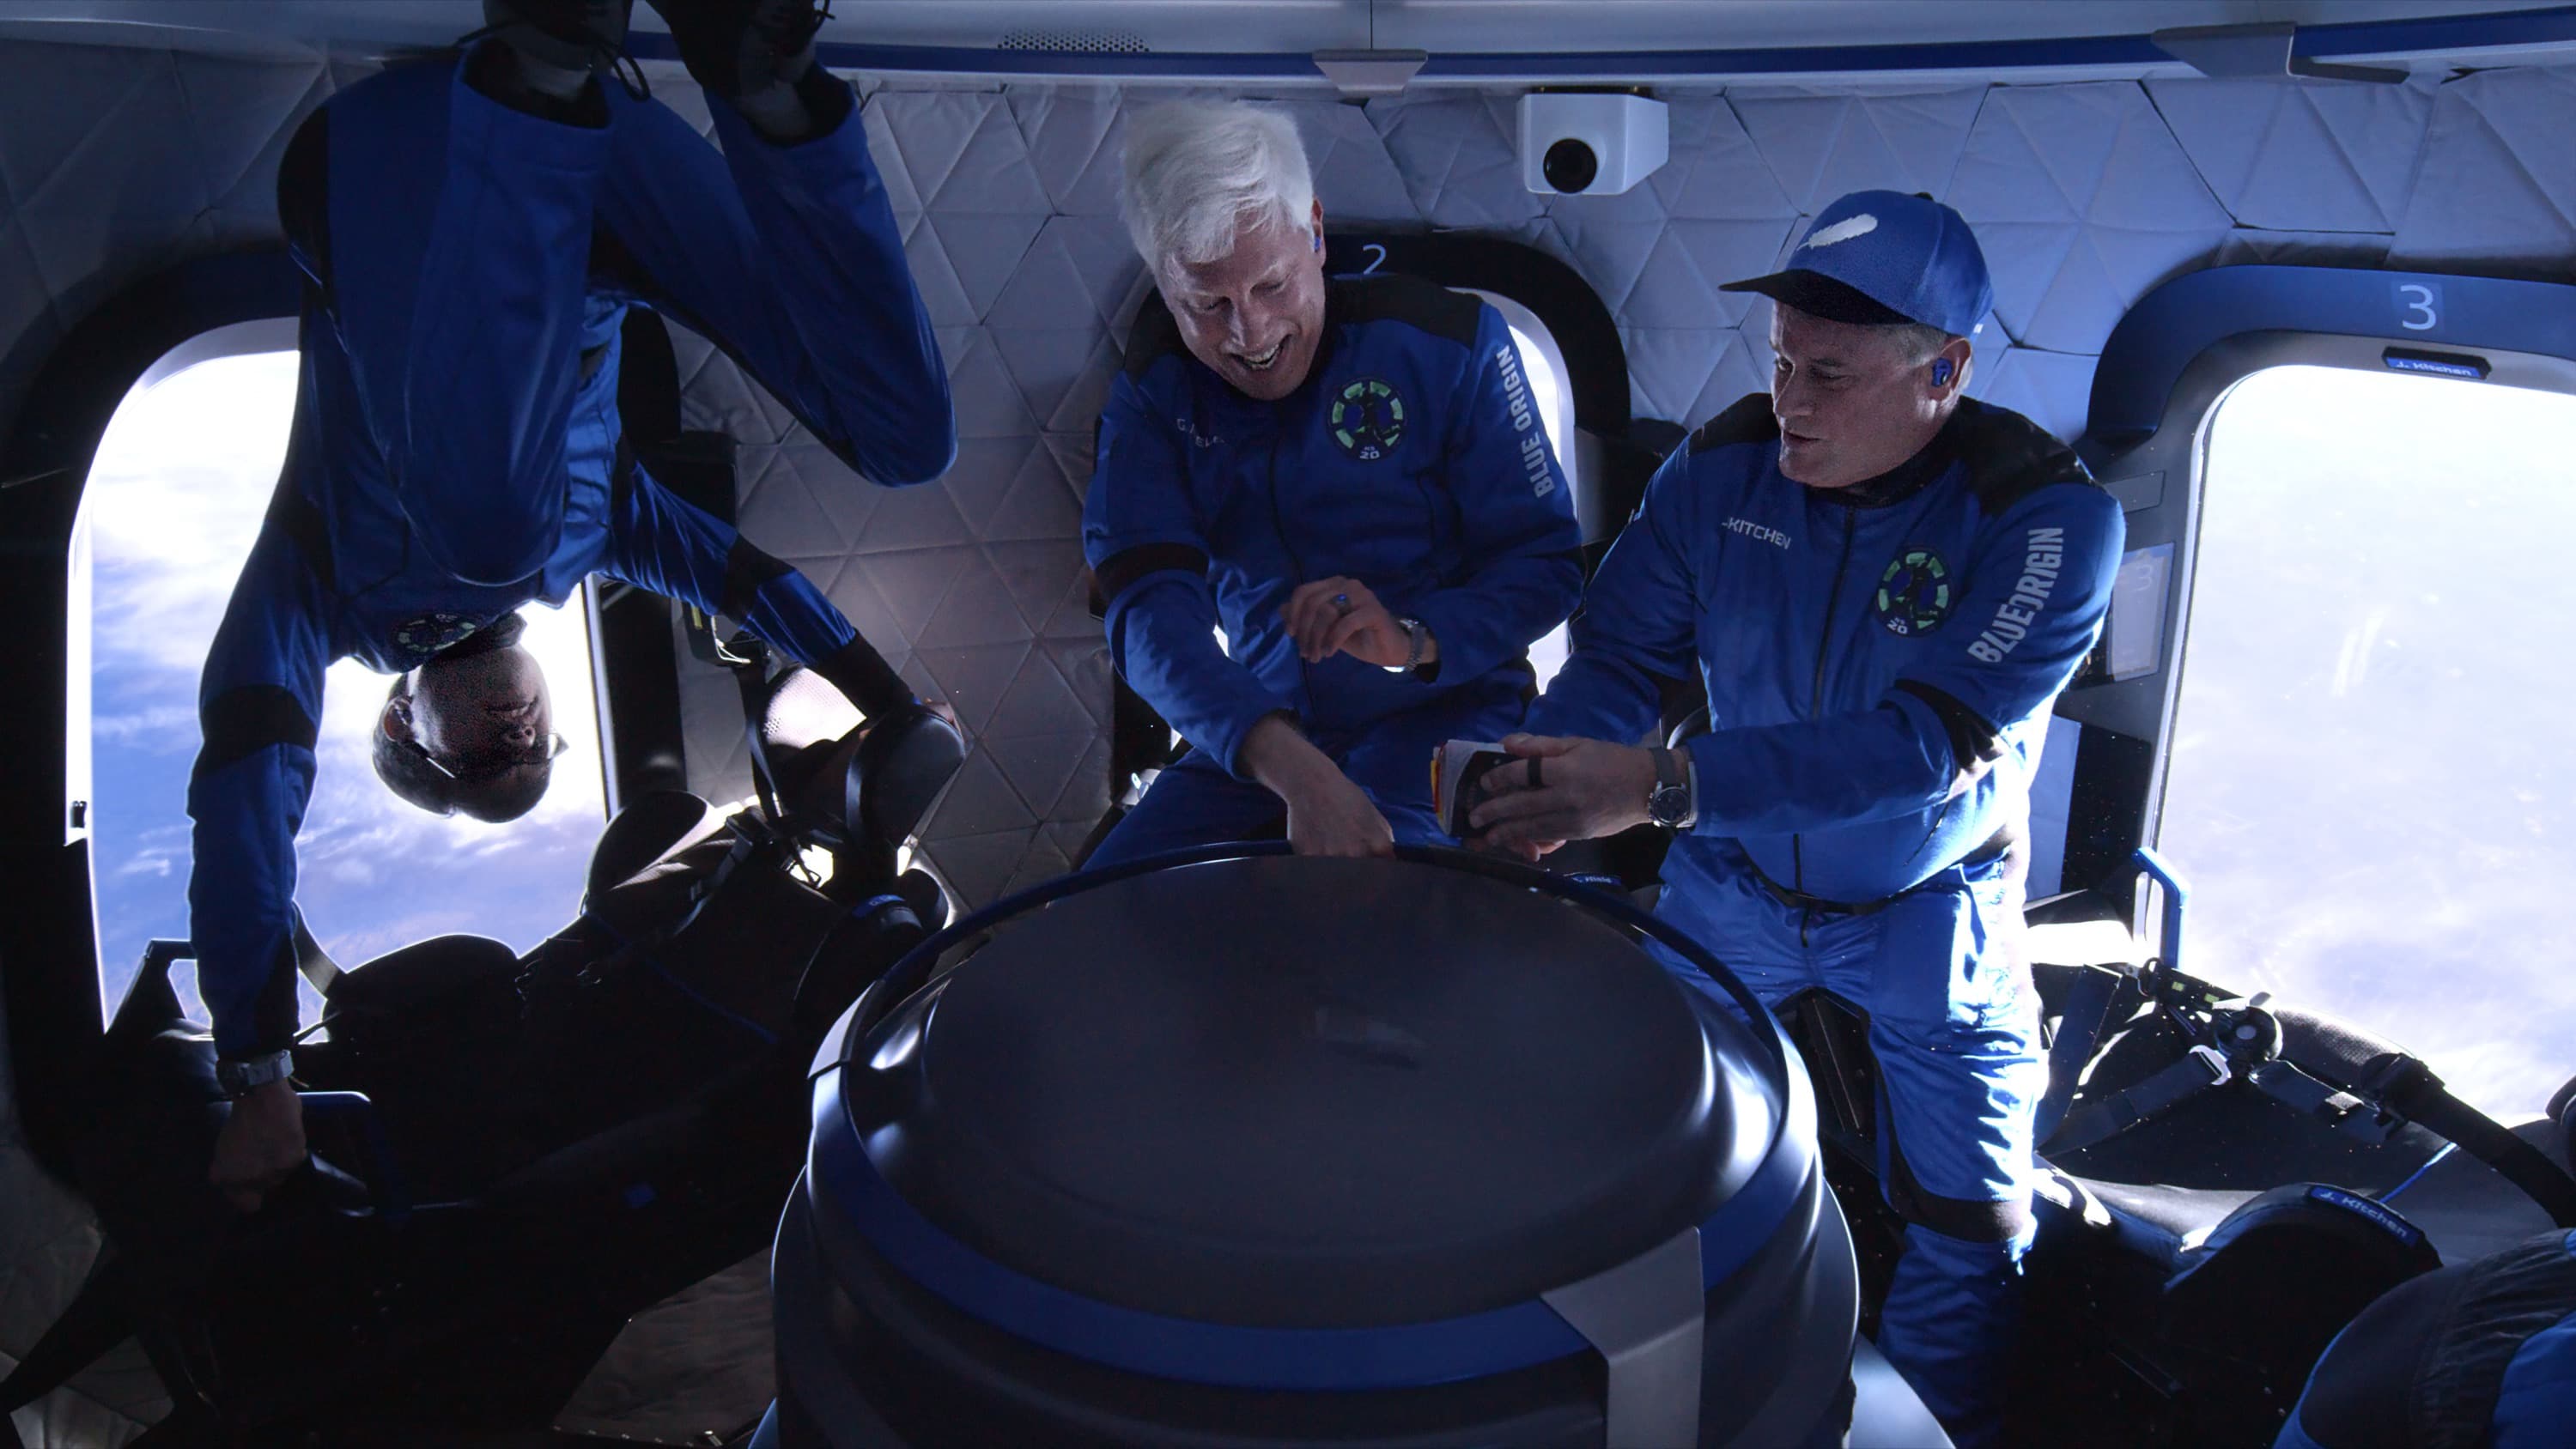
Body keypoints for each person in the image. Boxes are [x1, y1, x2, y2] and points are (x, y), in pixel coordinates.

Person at [195, 0, 956, 1214]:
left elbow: (244, 805)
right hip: (609, 192)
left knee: (489, 538)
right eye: (533, 749)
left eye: (481, 756)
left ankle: (536, 60)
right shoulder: (596, 538)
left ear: (405, 726)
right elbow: (764, 585)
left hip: (384, 181)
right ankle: (764, 84)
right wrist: (899, 707)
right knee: (910, 438)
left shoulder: (316, 594)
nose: (514, 730)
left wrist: (259, 1071)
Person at [1469, 190, 2125, 1446]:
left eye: (1831, 372)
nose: (1793, 401)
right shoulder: (1718, 473)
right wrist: (1564, 768)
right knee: (1658, 1174)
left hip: (1933, 914)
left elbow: (1920, 749)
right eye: (1779, 363)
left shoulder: (2045, 519)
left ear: (1946, 369)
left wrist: (1659, 789)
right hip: (1734, 892)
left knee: (1970, 1224)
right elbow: (1627, 653)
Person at [1080, 100, 1582, 866]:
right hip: (1258, 733)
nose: (1249, 336)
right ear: (1164, 282)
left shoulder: (1452, 348)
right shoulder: (1155, 395)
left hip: (1446, 719)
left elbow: (1545, 569)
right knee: (1099, 914)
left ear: (1313, 231)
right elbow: (1148, 617)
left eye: (1272, 287)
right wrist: (1288, 766)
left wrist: (1412, 638)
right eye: (1207, 304)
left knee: (1389, 929)